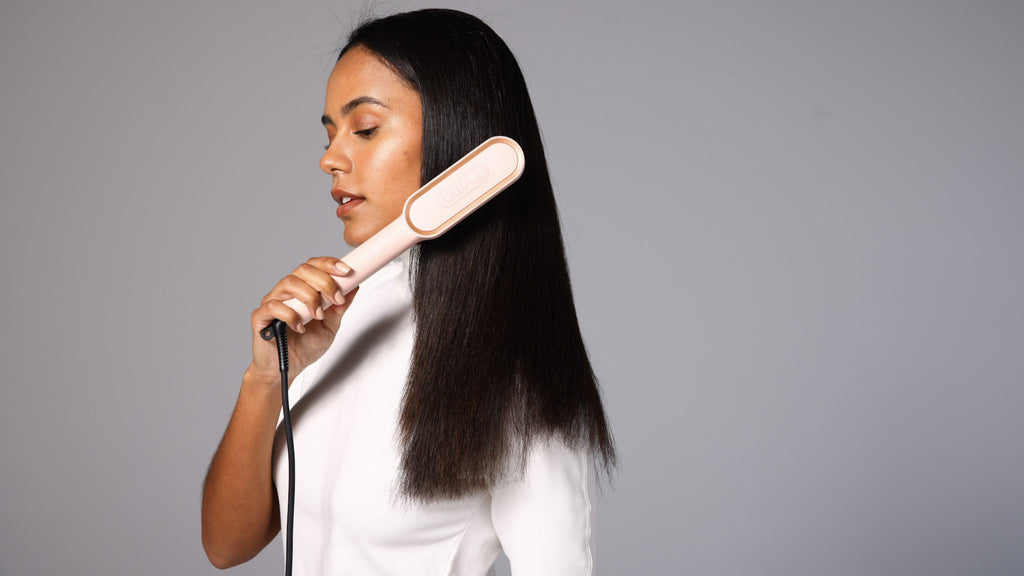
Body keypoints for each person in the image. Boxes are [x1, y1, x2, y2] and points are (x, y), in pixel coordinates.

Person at [201, 9, 615, 575]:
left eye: (365, 128)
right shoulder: (335, 321)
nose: (330, 159)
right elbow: (227, 547)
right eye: (330, 133)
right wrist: (265, 380)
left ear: (460, 139)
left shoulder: (517, 377)